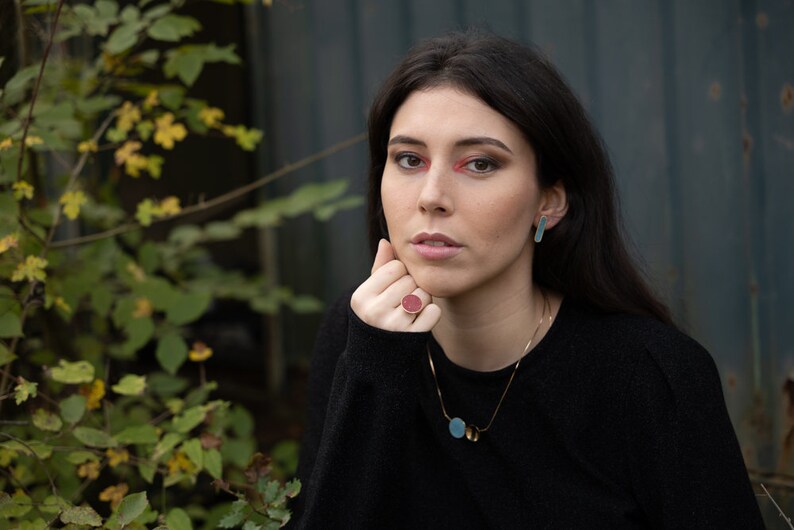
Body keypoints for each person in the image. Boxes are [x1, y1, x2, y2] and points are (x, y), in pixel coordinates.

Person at [291, 30, 764, 528]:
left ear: (550, 200)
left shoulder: (652, 377)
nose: (431, 196)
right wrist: (376, 367)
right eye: (409, 159)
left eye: (479, 163)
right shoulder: (358, 337)